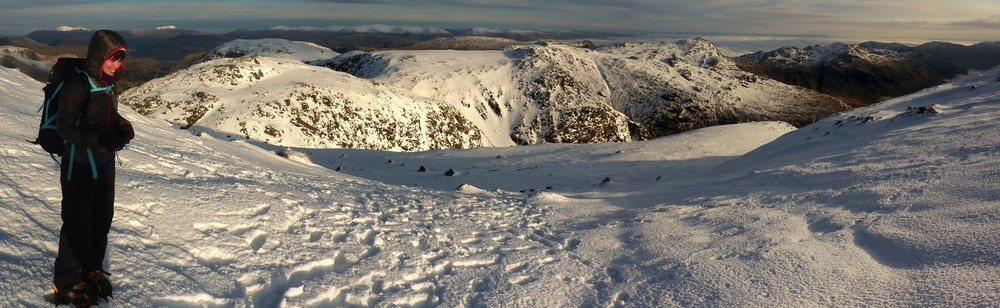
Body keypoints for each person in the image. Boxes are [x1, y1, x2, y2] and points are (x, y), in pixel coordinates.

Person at [52, 29, 134, 306]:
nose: (117, 64)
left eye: (120, 59)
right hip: (80, 166)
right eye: (113, 58)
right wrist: (101, 139)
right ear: (100, 55)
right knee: (78, 224)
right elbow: (64, 128)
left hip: (105, 163)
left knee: (101, 220)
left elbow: (107, 115)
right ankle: (64, 283)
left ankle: (91, 269)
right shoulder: (79, 84)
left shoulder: (108, 83)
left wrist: (121, 125)